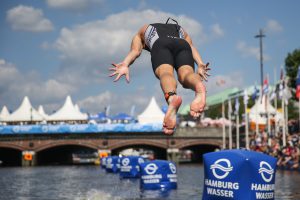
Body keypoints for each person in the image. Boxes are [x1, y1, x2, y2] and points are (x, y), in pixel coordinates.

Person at [109, 18, 210, 135]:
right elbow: (190, 46)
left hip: (160, 43)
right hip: (182, 44)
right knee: (186, 74)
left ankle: (172, 97)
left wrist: (125, 64)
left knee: (165, 73)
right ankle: (198, 86)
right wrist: (200, 64)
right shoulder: (180, 29)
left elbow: (135, 51)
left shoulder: (143, 30)